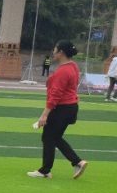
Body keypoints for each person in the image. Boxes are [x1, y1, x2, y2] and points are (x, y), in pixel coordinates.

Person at [28, 40, 88, 180]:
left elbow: (55, 96)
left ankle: (47, 170)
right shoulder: (72, 66)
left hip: (62, 108)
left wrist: (44, 115)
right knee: (53, 137)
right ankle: (75, 163)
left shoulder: (63, 71)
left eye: (55, 49)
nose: (53, 52)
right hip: (70, 107)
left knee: (49, 137)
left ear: (61, 52)